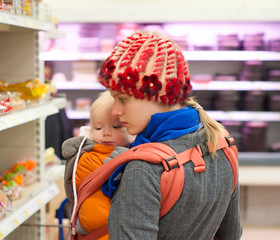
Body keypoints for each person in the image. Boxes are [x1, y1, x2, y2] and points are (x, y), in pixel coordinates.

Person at [96, 31, 243, 239]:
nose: (115, 112)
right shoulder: (221, 145)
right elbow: (232, 234)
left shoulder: (144, 168)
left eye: (122, 99)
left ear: (156, 94)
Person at [62, 90, 131, 239]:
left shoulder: (129, 151)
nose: (106, 133)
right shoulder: (89, 158)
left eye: (116, 127)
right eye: (98, 128)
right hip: (99, 232)